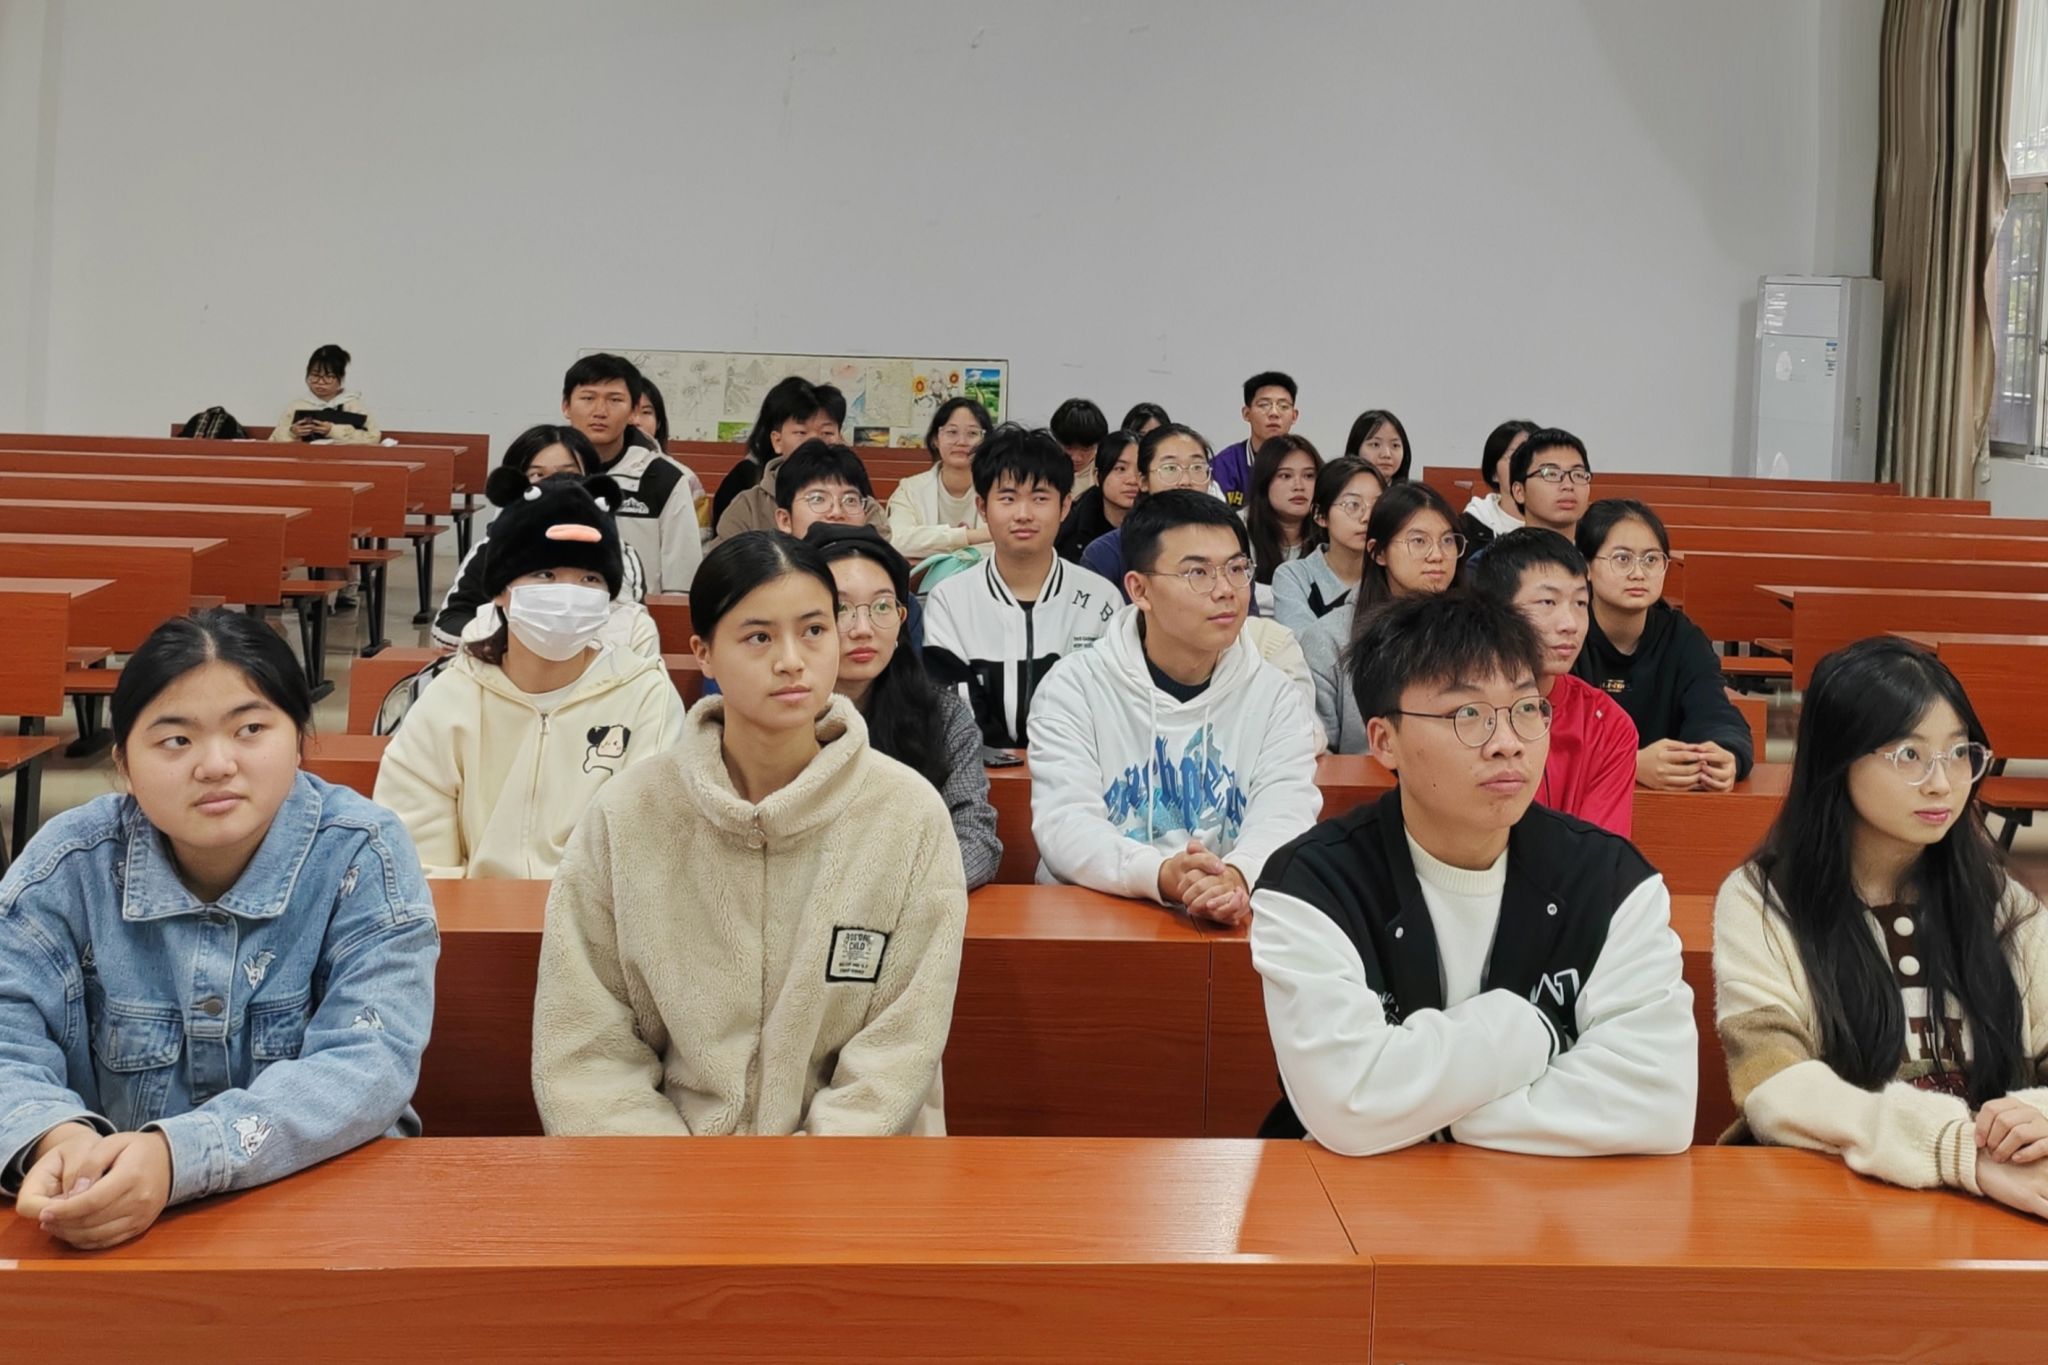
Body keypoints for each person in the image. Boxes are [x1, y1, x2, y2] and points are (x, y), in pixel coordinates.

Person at [0, 611, 437, 1249]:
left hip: (322, 1215)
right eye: (176, 740)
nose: (216, 764)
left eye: (250, 729)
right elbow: (7, 1037)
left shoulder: (362, 853)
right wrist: (55, 1138)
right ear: (123, 762)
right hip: (113, 1227)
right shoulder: (68, 866)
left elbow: (368, 1060)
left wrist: (180, 1156)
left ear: (299, 738)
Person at [532, 532, 968, 1137]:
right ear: (704, 653)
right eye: (759, 637)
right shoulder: (627, 815)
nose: (791, 660)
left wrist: (800, 1182)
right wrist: (673, 1181)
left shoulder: (907, 815)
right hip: (661, 1173)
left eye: (814, 630)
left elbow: (898, 1052)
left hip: (854, 1171)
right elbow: (586, 1050)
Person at [1250, 591, 1697, 1156]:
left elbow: (1659, 1105)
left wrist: (1434, 1120)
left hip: (1546, 1203)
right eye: (1468, 714)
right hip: (1350, 1198)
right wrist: (1535, 1031)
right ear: (1384, 741)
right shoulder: (1311, 886)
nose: (1507, 744)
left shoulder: (1613, 883)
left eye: (1526, 709)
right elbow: (1350, 1103)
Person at [1714, 637, 2048, 1214]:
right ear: (1838, 759)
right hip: (1827, 1201)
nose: (1942, 783)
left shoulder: (2003, 901)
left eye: (1959, 753)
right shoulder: (1764, 901)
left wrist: (2038, 1116)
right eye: (1909, 755)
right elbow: (1772, 1083)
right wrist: (1956, 1149)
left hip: (1994, 1202)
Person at [1029, 491, 1322, 925]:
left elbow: (1287, 811)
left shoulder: (1275, 695)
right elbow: (1065, 824)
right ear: (1139, 589)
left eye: (1236, 569)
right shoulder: (1074, 687)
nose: (1225, 590)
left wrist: (1238, 875)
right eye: (1197, 573)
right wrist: (1162, 874)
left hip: (1233, 916)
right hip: (1095, 919)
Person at [374, 475, 684, 878]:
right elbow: (417, 859)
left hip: (597, 912)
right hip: (470, 912)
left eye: (590, 579)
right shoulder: (450, 696)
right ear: (501, 591)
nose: (569, 595)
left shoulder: (645, 696)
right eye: (545, 575)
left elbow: (648, 845)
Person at [812, 525, 1000, 888]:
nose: (863, 628)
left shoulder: (945, 717)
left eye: (882, 606)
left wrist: (891, 893)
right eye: (840, 608)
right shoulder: (775, 716)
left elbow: (976, 840)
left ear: (901, 621)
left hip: (910, 903)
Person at [924, 425, 1118, 747]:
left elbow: (1107, 706)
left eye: (1040, 498)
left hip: (1080, 769)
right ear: (982, 508)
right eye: (1008, 498)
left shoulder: (1103, 600)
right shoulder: (949, 600)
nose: (1024, 514)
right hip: (980, 771)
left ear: (1065, 507)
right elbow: (957, 711)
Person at [1574, 499, 1753, 790]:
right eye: (1622, 559)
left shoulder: (1683, 638)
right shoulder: (1566, 636)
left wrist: (1724, 754)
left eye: (1651, 560)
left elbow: (1714, 711)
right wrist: (1629, 764)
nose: (1638, 573)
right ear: (1586, 567)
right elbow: (1551, 741)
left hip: (1667, 802)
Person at [1469, 529, 1637, 837]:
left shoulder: (1606, 725)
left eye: (1580, 603)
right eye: (1547, 602)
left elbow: (1600, 853)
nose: (1570, 624)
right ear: (1495, 610)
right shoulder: (1452, 712)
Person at [432, 425, 655, 654]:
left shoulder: (617, 554)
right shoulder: (492, 549)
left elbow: (629, 626)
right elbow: (447, 626)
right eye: (537, 475)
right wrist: (515, 640)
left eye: (570, 475)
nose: (553, 486)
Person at [1302, 481, 1464, 753]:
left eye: (1447, 540)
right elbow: (1319, 751)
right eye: (1419, 541)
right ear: (1378, 552)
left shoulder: (1474, 632)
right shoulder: (1328, 638)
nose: (1437, 555)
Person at [560, 354, 701, 594]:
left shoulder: (665, 479)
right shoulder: (540, 472)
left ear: (634, 411)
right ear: (566, 406)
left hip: (638, 615)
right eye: (588, 398)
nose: (600, 411)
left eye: (615, 400)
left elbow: (682, 582)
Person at [1081, 423, 1215, 594]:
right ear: (1143, 481)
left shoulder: (1227, 542)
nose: (1185, 481)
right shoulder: (1106, 553)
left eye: (1197, 467)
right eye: (1170, 468)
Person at [1272, 457, 1383, 636]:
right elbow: (1306, 646)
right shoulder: (1294, 577)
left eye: (1377, 506)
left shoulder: (1391, 573)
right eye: (1353, 505)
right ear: (1320, 515)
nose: (1367, 517)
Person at [713, 435, 890, 547]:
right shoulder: (766, 585)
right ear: (785, 520)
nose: (837, 513)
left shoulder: (882, 578)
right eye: (817, 499)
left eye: (850, 500)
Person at [709, 376, 825, 526]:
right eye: (801, 432)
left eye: (826, 432)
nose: (814, 441)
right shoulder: (744, 480)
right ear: (775, 436)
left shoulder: (843, 482)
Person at [889, 396, 993, 557]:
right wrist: (972, 536)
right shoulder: (910, 489)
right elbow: (896, 540)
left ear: (986, 441)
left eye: (972, 433)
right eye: (952, 432)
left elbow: (1006, 543)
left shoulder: (999, 488)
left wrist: (933, 545)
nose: (961, 441)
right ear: (935, 439)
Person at [1244, 435, 1324, 614]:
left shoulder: (1331, 529)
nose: (1299, 486)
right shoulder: (1238, 529)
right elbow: (1240, 590)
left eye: (1309, 476)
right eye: (1285, 476)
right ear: (1264, 481)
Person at [631, 373, 711, 533]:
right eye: (629, 412)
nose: (636, 421)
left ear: (659, 423)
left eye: (646, 412)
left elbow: (700, 539)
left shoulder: (683, 477)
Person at [1211, 372, 1298, 510]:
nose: (1274, 413)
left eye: (1283, 406)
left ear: (1294, 416)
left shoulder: (1306, 463)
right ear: (1246, 414)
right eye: (1264, 405)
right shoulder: (1224, 465)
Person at [1056, 430, 1141, 564]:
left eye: (1140, 470)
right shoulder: (1070, 531)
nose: (1132, 480)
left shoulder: (1161, 530)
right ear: (1097, 476)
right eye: (1120, 469)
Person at [270, 343, 381, 446]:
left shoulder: (353, 405)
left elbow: (374, 437)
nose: (320, 382)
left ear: (341, 377)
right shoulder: (297, 406)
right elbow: (272, 441)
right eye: (315, 375)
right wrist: (292, 433)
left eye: (328, 377)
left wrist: (333, 431)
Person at [1462, 418, 1538, 550]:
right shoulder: (1470, 527)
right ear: (1494, 473)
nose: (1526, 466)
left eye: (1533, 458)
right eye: (1515, 457)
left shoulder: (1562, 522)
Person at [1508, 427, 1593, 539]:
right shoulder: (1499, 551)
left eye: (1578, 475)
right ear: (1519, 491)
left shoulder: (1599, 549)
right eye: (1551, 474)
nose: (1568, 485)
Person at [1050, 397, 1109, 497]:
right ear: (1056, 441)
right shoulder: (1041, 470)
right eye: (1069, 448)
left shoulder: (1107, 474)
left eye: (1086, 449)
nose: (1076, 458)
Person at [1344, 409, 1412, 485]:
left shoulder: (1411, 492)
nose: (1386, 454)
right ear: (1356, 448)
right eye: (1375, 444)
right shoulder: (1338, 489)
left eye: (1395, 445)